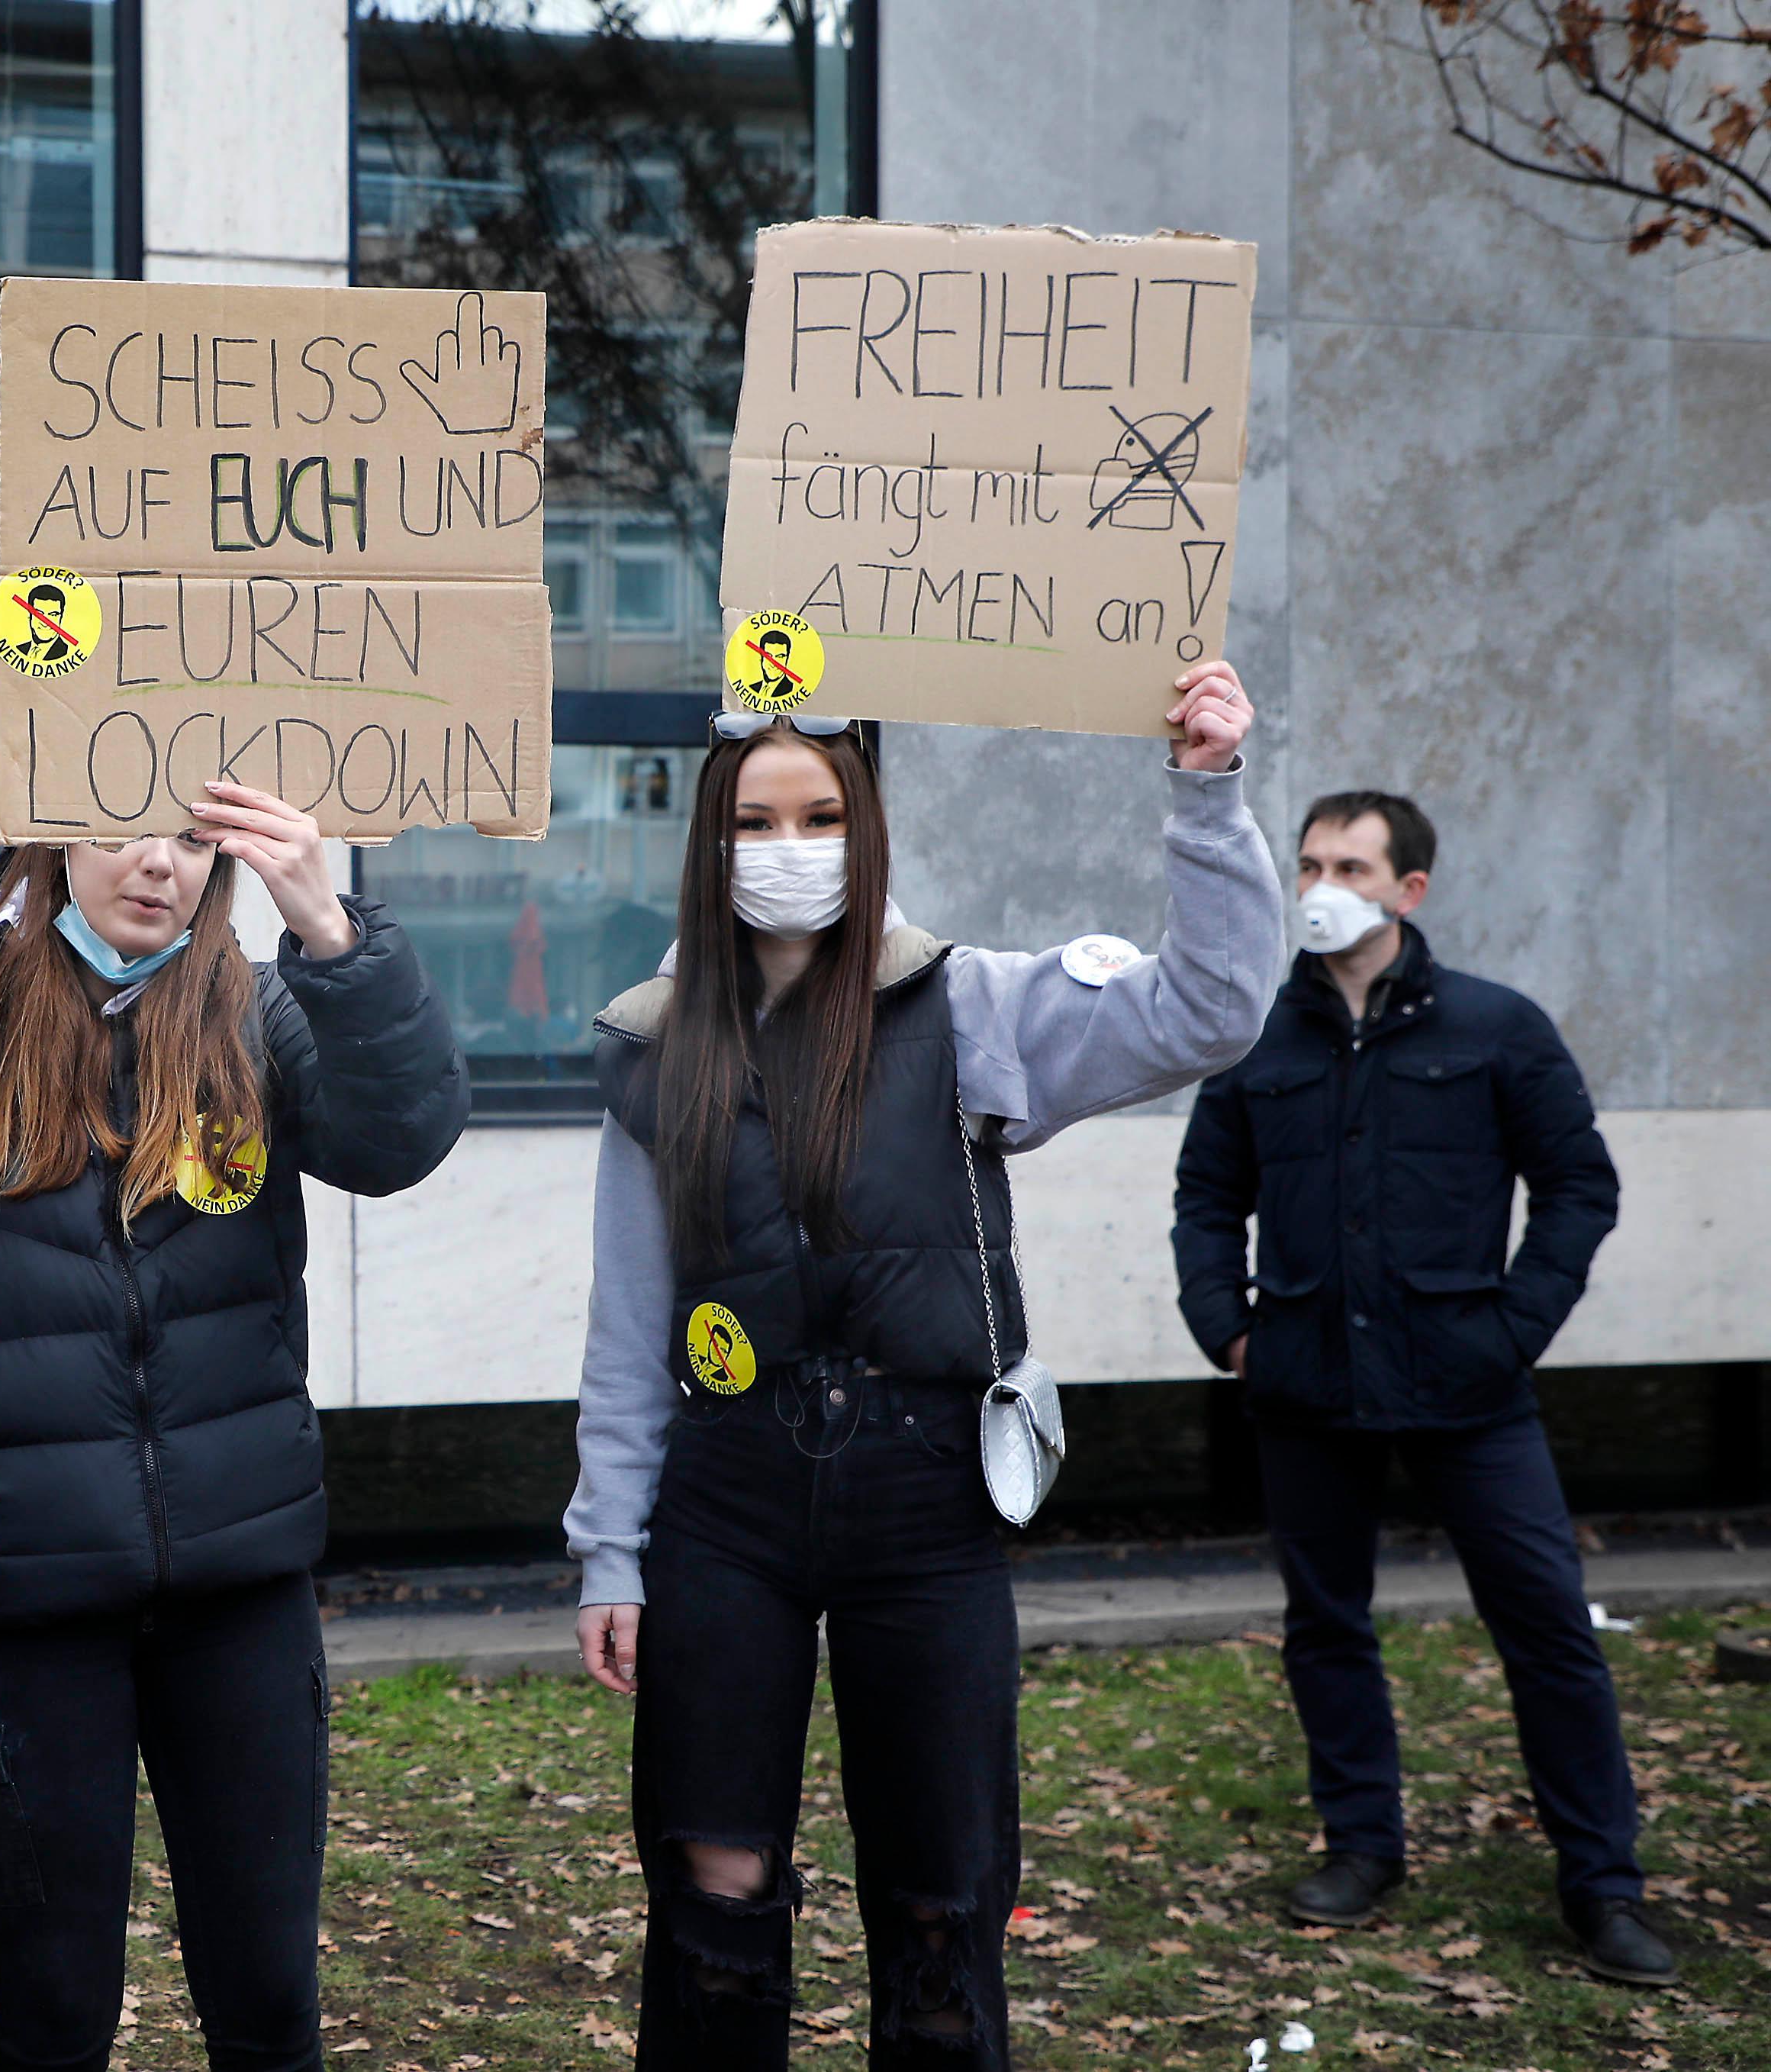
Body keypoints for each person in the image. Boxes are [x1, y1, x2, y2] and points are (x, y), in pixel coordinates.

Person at [565, 665, 1284, 2067]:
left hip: (924, 1508)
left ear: (867, 824)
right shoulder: (652, 1047)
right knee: (712, 1888)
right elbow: (624, 1326)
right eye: (753, 824)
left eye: (818, 815)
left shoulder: (975, 1009)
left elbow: (1208, 1008)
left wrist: (1205, 793)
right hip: (721, 1512)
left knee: (942, 1899)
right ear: (706, 840)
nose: (786, 852)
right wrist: (608, 1547)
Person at [0, 781, 468, 2071]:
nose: (156, 863)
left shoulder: (258, 1016)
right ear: (45, 824)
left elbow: (401, 1134)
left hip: (237, 1584)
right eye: (124, 825)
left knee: (265, 1996)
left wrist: (331, 933)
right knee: (52, 2000)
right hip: (19, 1596)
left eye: (194, 840)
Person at [1170, 791, 1669, 1983]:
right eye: (1306, 862)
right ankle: (1359, 1843)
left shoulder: (1497, 1027)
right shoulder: (1253, 1036)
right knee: (1323, 1625)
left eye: (1348, 862)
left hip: (1466, 1380)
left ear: (1409, 888)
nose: (1318, 883)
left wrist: (1513, 1326)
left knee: (1547, 1628)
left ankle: (1600, 1882)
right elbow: (1203, 1196)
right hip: (1301, 1382)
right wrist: (1226, 1331)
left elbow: (1575, 1185)